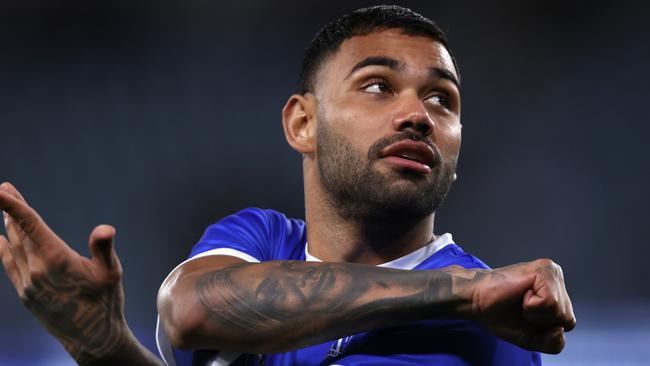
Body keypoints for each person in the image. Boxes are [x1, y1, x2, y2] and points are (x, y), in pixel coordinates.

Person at [0, 5, 575, 366]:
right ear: (303, 123)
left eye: (441, 99)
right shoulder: (259, 237)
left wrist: (469, 298)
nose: (417, 114)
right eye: (377, 86)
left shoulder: (482, 333)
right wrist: (106, 350)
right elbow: (192, 311)